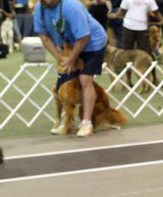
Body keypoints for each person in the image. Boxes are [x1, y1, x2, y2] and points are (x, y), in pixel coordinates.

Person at [34, 0, 108, 137]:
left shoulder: (71, 6)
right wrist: (61, 59)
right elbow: (44, 37)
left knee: (85, 79)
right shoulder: (40, 8)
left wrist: (72, 59)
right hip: (69, 46)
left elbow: (84, 36)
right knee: (66, 86)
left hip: (92, 43)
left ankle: (87, 123)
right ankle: (69, 122)